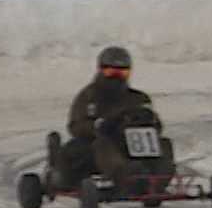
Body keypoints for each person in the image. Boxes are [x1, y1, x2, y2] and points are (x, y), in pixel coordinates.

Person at [54, 46, 158, 186]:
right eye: (111, 72)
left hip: (128, 145)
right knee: (102, 144)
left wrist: (150, 120)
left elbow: (156, 128)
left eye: (121, 73)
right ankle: (126, 176)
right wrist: (98, 126)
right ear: (100, 70)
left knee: (162, 142)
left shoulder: (138, 98)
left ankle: (159, 177)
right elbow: (76, 125)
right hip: (94, 148)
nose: (116, 77)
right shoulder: (89, 96)